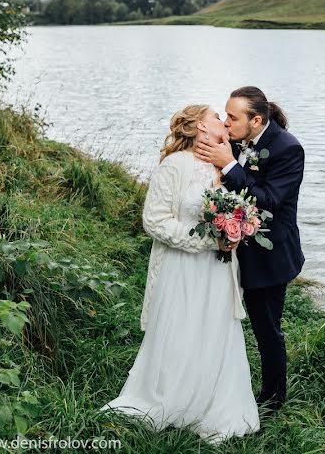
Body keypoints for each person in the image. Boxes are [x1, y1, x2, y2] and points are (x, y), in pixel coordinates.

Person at [99, 104, 259, 443]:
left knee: (216, 331)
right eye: (217, 116)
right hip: (182, 268)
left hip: (219, 272)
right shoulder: (174, 165)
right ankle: (171, 400)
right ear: (201, 126)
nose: (223, 121)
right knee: (182, 330)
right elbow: (154, 221)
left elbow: (240, 209)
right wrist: (206, 242)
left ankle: (213, 404)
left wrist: (235, 232)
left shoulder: (226, 165)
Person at [195, 86, 305, 413]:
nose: (226, 123)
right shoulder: (239, 141)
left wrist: (229, 166)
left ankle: (273, 399)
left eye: (232, 117)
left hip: (270, 257)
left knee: (265, 328)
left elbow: (269, 201)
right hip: (236, 248)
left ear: (256, 120)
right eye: (224, 115)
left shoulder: (288, 149)